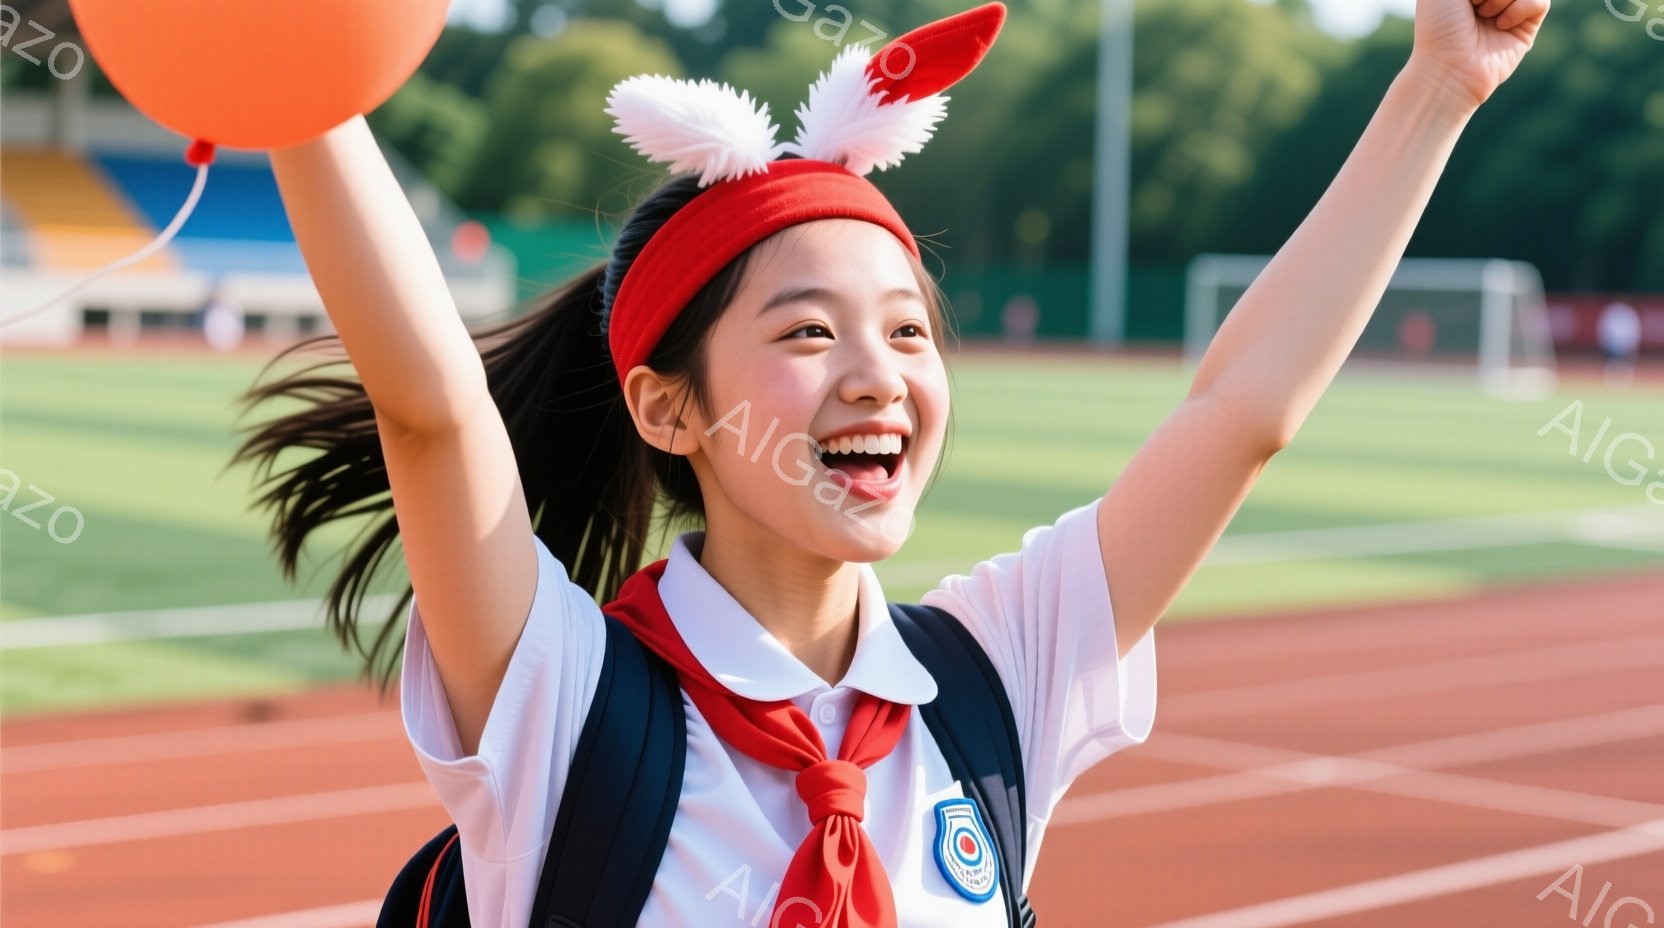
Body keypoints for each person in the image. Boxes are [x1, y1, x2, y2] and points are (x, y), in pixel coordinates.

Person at [240, 0, 1550, 924]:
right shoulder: (567, 700)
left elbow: (1240, 414)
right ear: (667, 409)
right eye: (807, 331)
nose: (880, 373)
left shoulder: (989, 676)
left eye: (910, 329)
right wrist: (294, 72)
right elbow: (433, 415)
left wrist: (1442, 83)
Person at [1597, 299, 1641, 385]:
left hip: (1625, 344)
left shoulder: (1628, 313)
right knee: (1612, 362)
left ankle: (1625, 379)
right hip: (1612, 345)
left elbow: (1634, 331)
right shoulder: (1611, 312)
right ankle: (1612, 379)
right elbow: (1603, 330)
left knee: (1626, 362)